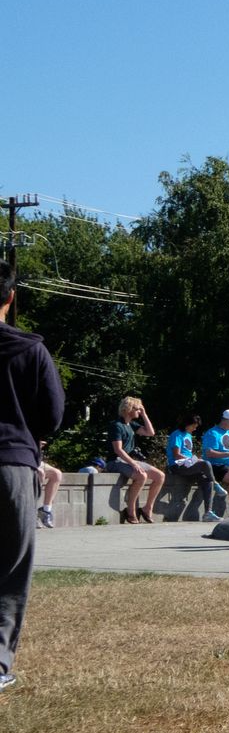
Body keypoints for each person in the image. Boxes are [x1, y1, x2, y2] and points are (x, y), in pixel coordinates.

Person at [1, 261, 65, 695]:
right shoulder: (29, 350)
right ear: (9, 297)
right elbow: (53, 415)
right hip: (10, 464)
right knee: (9, 568)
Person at [107, 396, 164, 523]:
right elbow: (118, 450)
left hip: (127, 460)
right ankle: (130, 510)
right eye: (138, 409)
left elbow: (150, 432)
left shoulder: (131, 425)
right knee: (141, 476)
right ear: (129, 409)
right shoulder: (116, 425)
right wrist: (133, 463)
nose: (139, 411)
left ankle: (147, 508)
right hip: (115, 461)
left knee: (160, 476)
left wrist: (144, 414)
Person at [165, 412, 223, 522]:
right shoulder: (177, 434)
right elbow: (176, 454)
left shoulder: (188, 435)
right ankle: (216, 484)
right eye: (194, 426)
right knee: (205, 464)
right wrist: (194, 459)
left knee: (207, 480)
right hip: (177, 465)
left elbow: (187, 454)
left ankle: (208, 513)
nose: (195, 429)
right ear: (187, 424)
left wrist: (193, 459)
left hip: (187, 464)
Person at [37, 451, 61, 529]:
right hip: (20, 457)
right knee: (40, 474)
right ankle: (31, 513)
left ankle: (45, 510)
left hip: (36, 460)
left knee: (56, 474)